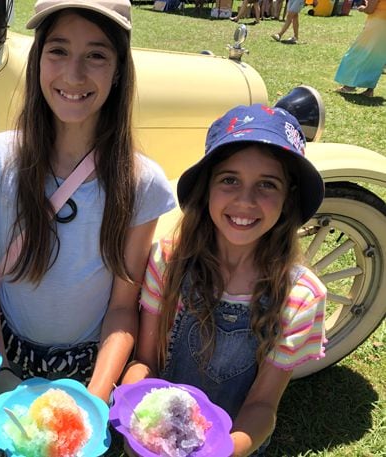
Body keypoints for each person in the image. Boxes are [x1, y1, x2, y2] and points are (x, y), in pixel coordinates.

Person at [0, 0, 175, 416]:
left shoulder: (142, 184)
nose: (74, 75)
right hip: (6, 355)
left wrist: (95, 395)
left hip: (91, 369)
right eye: (58, 50)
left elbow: (123, 307)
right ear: (38, 59)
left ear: (118, 71)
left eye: (96, 55)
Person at [122, 104, 327, 456]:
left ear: (288, 198)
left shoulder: (301, 296)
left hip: (233, 442)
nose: (245, 201)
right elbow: (146, 362)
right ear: (206, 189)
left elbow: (263, 406)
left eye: (267, 184)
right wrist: (136, 418)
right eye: (229, 180)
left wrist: (221, 450)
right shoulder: (168, 261)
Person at [334, 0, 386, 97]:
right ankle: (369, 90)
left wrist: (362, 8)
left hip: (377, 24)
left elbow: (370, 9)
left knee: (357, 53)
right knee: (377, 59)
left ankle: (349, 86)